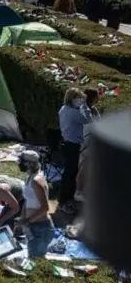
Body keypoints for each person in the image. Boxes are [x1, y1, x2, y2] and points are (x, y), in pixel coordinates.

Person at [58, 87, 92, 215]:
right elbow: (88, 120)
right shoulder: (72, 112)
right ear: (72, 98)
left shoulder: (64, 109)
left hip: (68, 144)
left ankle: (66, 198)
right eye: (78, 98)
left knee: (69, 173)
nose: (80, 100)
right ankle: (65, 200)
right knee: (70, 174)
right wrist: (85, 106)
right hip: (72, 145)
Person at [17, 150, 54, 258]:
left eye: (22, 162)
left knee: (35, 260)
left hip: (40, 228)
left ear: (30, 163)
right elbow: (27, 201)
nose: (20, 165)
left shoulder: (37, 181)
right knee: (32, 257)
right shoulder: (29, 177)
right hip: (32, 226)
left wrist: (27, 220)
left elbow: (45, 208)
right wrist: (22, 218)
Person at [77, 88, 100, 202]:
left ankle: (85, 190)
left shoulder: (93, 110)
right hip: (85, 142)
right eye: (96, 97)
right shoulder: (83, 109)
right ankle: (79, 191)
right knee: (83, 168)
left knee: (89, 168)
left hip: (93, 142)